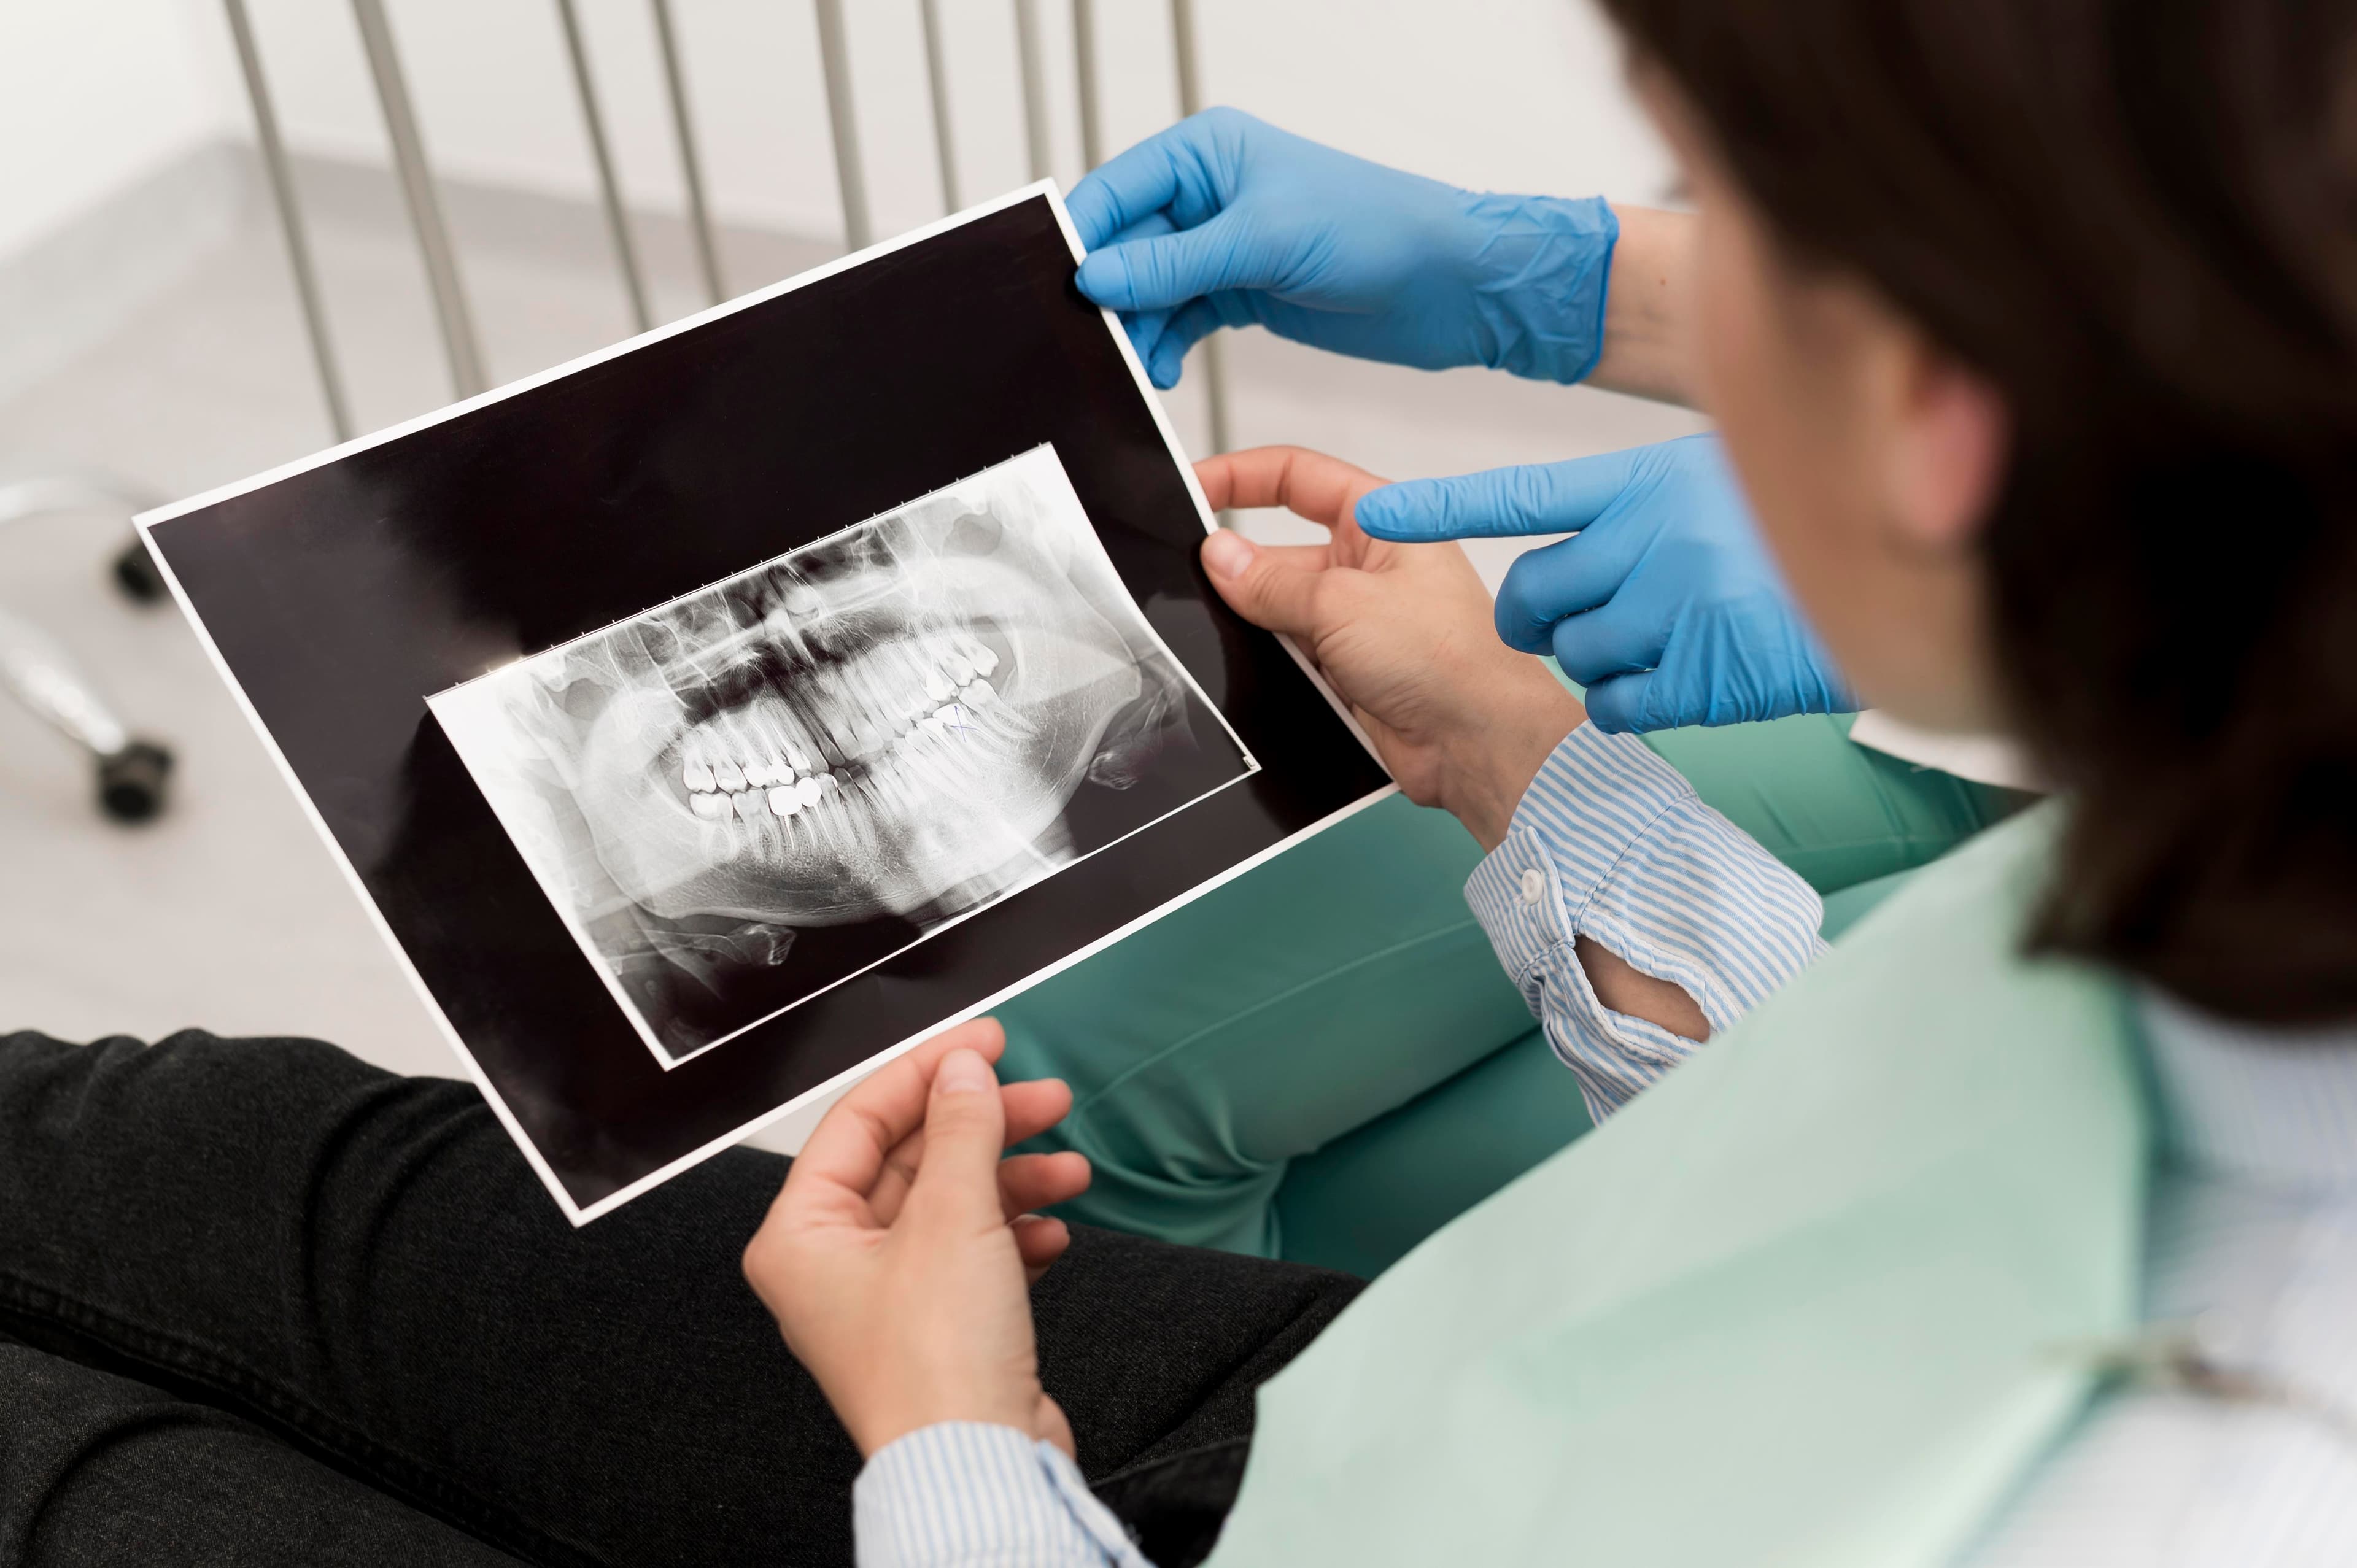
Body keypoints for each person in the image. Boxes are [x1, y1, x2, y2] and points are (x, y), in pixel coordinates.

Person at [4, 2, 2353, 1566]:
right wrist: (1533, 774)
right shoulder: (2236, 927)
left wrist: (955, 1437)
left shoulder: (2203, 1474)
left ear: (1952, 427)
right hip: (1385, 1429)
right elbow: (1920, 1174)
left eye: (1739, 234)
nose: (1682, 292)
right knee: (255, 1165)